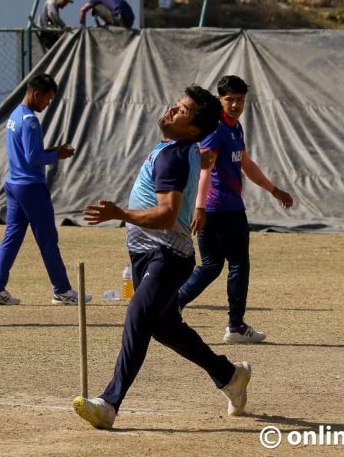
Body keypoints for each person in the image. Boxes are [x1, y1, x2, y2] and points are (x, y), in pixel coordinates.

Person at [74, 85, 251, 429]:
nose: (172, 110)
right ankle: (229, 375)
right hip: (147, 253)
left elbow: (167, 215)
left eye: (182, 111)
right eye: (177, 105)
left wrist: (119, 213)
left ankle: (109, 403)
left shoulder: (173, 154)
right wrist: (202, 158)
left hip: (166, 254)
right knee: (166, 329)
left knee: (137, 318)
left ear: (194, 129)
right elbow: (198, 158)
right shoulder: (179, 146)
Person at [177, 75, 294, 344]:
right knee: (238, 264)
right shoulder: (217, 130)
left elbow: (246, 163)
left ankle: (169, 307)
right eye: (230, 99)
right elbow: (205, 168)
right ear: (220, 99)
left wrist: (274, 190)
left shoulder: (234, 127)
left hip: (221, 208)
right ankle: (236, 326)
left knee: (210, 266)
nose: (235, 105)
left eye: (240, 100)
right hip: (222, 209)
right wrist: (200, 207)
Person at [0, 73, 90, 307]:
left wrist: (53, 149)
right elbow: (33, 157)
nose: (47, 104)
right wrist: (57, 155)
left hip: (13, 185)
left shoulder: (15, 115)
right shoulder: (30, 120)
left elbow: (25, 152)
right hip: (31, 187)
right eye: (47, 99)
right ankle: (62, 290)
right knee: (47, 239)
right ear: (36, 94)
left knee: (12, 236)